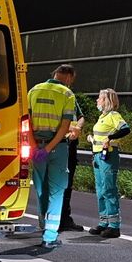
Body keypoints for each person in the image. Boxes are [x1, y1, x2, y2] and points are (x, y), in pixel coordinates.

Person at [27, 64, 79, 249]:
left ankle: (43, 225)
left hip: (36, 146)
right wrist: (48, 148)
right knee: (57, 191)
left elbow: (26, 121)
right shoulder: (67, 94)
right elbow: (65, 126)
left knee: (41, 188)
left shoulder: (34, 90)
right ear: (69, 77)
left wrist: (35, 147)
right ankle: (49, 236)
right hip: (56, 147)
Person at [88, 88, 131, 238]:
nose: (97, 101)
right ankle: (104, 222)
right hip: (99, 156)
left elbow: (126, 129)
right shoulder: (102, 117)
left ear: (107, 101)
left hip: (108, 156)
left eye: (100, 98)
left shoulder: (113, 115)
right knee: (100, 190)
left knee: (108, 189)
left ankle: (114, 226)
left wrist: (111, 138)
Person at [58, 95, 88, 233]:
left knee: (67, 184)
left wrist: (77, 128)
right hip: (58, 144)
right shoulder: (57, 96)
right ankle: (57, 220)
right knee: (58, 185)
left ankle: (63, 219)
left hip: (70, 146)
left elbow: (81, 117)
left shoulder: (70, 97)